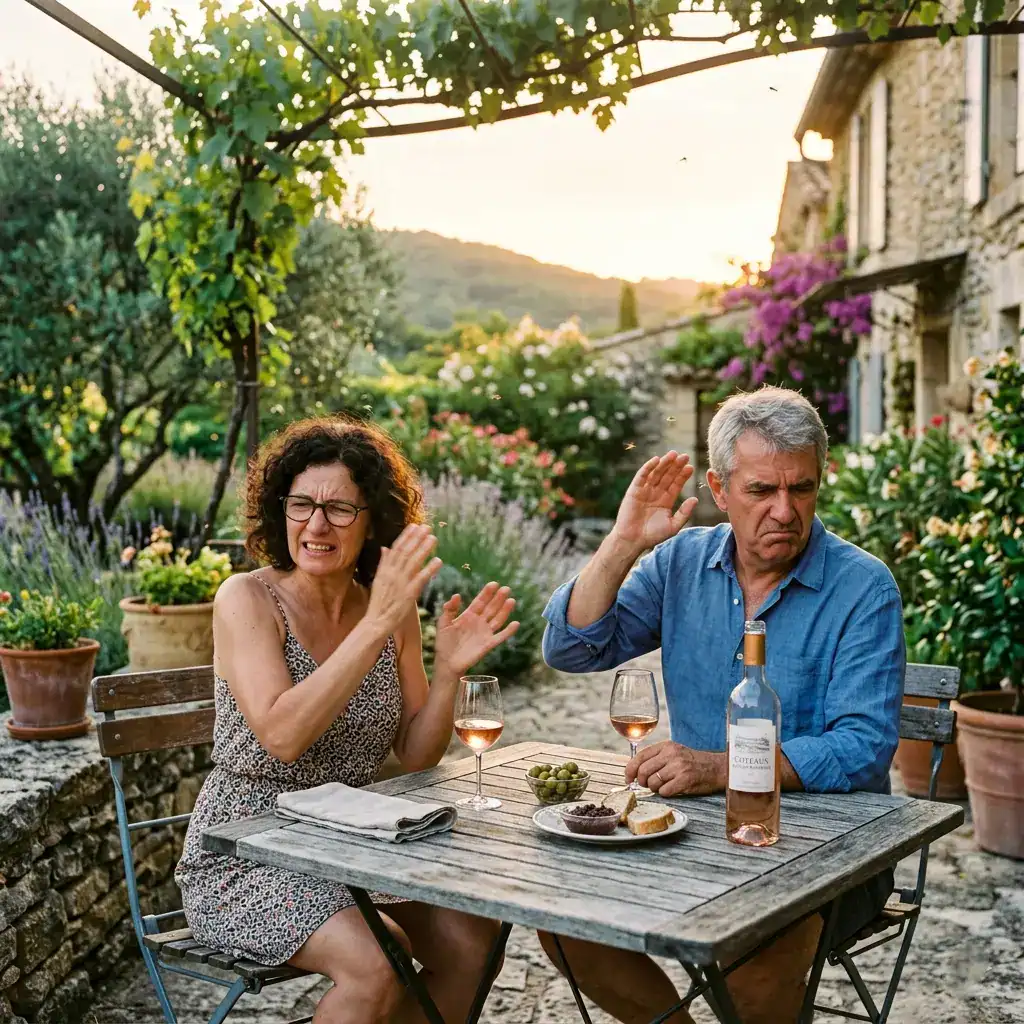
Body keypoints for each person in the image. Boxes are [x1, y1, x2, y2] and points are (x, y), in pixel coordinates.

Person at [538, 386, 905, 1024]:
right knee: (568, 928)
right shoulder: (680, 562)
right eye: (762, 491)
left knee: (757, 955)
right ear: (718, 486)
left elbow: (864, 745)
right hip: (692, 839)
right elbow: (571, 648)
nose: (785, 511)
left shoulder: (863, 587)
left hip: (829, 852)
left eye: (803, 489)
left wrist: (719, 767)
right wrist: (625, 542)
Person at [176, 416, 521, 1024]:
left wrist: (447, 676)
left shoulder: (389, 612)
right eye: (301, 504)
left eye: (339, 509)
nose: (316, 524)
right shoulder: (248, 599)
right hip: (247, 850)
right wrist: (375, 626)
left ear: (372, 521)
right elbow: (281, 736)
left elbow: (416, 755)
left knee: (477, 936)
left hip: (354, 845)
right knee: (380, 962)